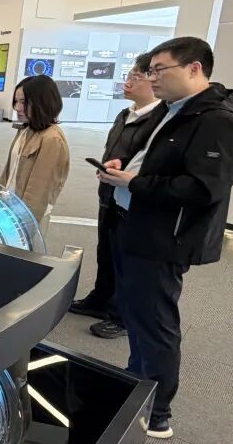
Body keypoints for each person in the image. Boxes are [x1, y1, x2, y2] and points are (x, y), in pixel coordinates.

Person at [98, 37, 233, 439]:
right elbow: (156, 160)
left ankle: (157, 412)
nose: (151, 78)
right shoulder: (173, 110)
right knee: (137, 315)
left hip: (164, 237)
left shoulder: (217, 121)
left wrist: (136, 183)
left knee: (155, 322)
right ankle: (137, 388)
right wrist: (124, 167)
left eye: (159, 70)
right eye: (149, 71)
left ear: (194, 68)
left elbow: (204, 188)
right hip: (135, 224)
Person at [72, 51, 167, 339]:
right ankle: (100, 300)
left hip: (134, 200)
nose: (128, 82)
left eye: (136, 77)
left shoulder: (159, 120)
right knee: (107, 252)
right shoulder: (125, 114)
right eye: (128, 76)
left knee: (128, 262)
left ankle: (121, 316)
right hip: (110, 193)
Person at [0, 75, 70, 236]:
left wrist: (22, 227)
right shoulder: (26, 129)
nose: (17, 108)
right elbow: (8, 173)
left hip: (26, 220)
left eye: (24, 102)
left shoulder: (52, 139)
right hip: (10, 211)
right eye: (16, 101)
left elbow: (38, 193)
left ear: (42, 102)